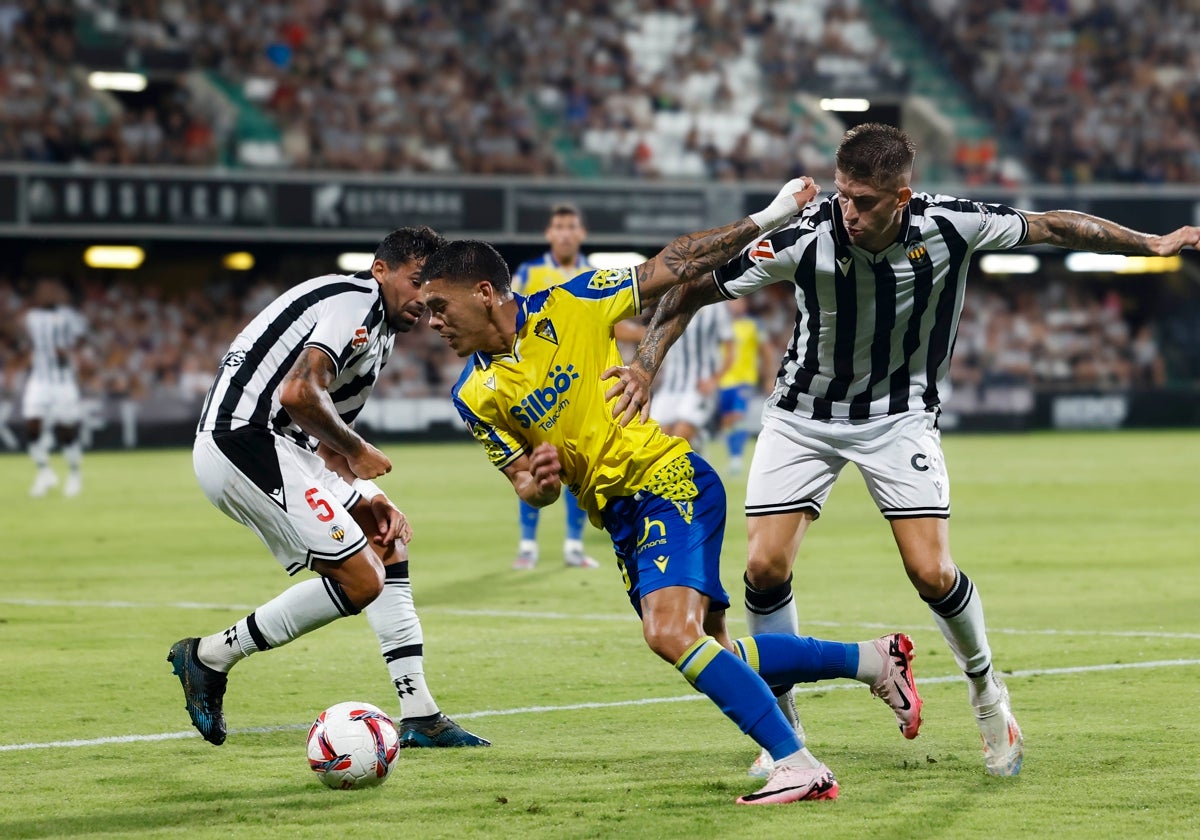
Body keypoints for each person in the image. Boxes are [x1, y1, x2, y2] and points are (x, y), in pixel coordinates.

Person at [603, 122, 1200, 780]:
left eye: (863, 201)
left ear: (902, 197)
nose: (848, 212)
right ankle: (784, 729)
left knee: (932, 573)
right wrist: (646, 365)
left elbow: (1054, 226)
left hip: (899, 416)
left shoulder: (952, 225)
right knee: (764, 567)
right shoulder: (807, 235)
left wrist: (1152, 243)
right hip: (803, 413)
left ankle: (988, 699)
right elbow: (693, 286)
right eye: (842, 195)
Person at [417, 197, 924, 807]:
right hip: (623, 519)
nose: (432, 322)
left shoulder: (570, 303)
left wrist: (768, 217)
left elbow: (674, 265)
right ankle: (874, 660)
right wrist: (544, 482)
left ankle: (797, 762)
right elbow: (526, 484)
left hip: (667, 480)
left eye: (440, 306)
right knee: (713, 649)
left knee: (668, 633)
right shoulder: (474, 393)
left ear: (483, 291)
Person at [168, 227, 489, 750]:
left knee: (387, 540)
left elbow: (327, 446)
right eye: (415, 281)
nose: (423, 300)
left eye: (431, 288)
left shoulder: (379, 332)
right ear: (380, 271)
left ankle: (420, 714)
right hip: (244, 440)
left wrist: (372, 497)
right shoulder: (353, 302)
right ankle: (209, 656)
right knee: (362, 580)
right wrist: (360, 451)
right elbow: (299, 394)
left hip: (284, 447)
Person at [509, 203, 599, 570]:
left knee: (577, 467)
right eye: (558, 226)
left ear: (581, 234)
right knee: (536, 466)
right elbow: (508, 320)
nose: (564, 233)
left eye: (570, 226)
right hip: (537, 389)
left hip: (579, 387)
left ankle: (573, 546)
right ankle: (528, 546)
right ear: (549, 234)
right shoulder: (529, 273)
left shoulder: (592, 274)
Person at [22, 278, 87, 498]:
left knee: (65, 431)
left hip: (63, 382)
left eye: (51, 290)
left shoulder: (69, 317)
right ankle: (44, 471)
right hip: (39, 380)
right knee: (32, 426)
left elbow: (81, 341)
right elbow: (24, 340)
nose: (46, 294)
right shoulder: (31, 317)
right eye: (42, 291)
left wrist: (67, 353)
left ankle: (74, 473)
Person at [647, 299, 733, 451]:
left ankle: (695, 442)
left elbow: (731, 349)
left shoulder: (716, 305)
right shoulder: (669, 297)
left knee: (678, 439)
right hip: (669, 386)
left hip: (698, 386)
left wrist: (714, 381)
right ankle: (697, 443)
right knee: (657, 443)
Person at [715, 296, 774, 476]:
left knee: (737, 417)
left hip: (744, 380)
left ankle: (736, 459)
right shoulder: (720, 326)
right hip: (723, 381)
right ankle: (732, 454)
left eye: (739, 301)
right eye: (732, 302)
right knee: (727, 421)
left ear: (745, 304)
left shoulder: (754, 326)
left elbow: (767, 351)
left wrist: (769, 376)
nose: (735, 305)